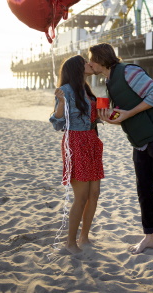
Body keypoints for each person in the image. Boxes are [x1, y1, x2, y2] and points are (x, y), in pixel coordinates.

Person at [88, 43, 153, 268]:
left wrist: (128, 113)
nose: (89, 64)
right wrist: (112, 118)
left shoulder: (129, 72)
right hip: (140, 142)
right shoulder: (109, 81)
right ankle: (151, 237)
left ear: (100, 59)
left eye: (90, 60)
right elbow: (125, 114)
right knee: (143, 191)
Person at [49, 55, 104, 254]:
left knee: (94, 194)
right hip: (75, 143)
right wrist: (62, 104)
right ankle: (70, 243)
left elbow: (92, 116)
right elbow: (57, 123)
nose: (89, 64)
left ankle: (84, 237)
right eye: (85, 63)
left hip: (91, 141)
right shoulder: (65, 91)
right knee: (81, 196)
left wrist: (103, 115)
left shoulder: (87, 90)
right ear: (76, 69)